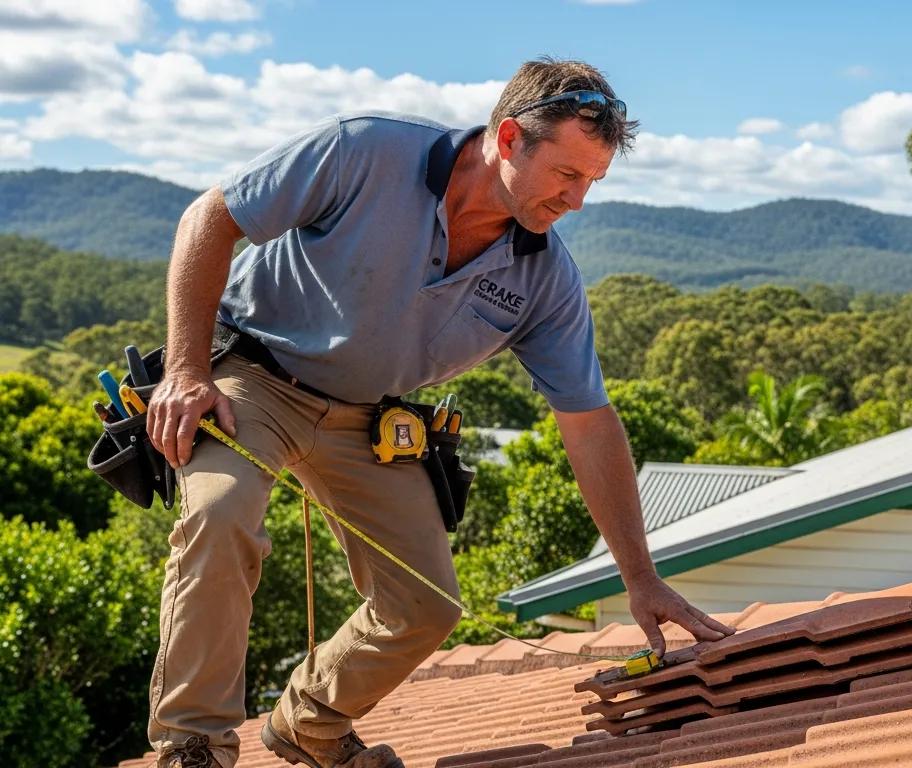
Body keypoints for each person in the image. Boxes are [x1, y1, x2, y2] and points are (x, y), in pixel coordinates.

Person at [143, 57, 733, 768]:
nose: (576, 202)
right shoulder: (363, 150)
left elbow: (589, 422)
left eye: (592, 183)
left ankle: (310, 721)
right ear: (509, 139)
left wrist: (639, 575)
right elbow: (209, 219)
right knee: (221, 514)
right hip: (255, 377)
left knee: (427, 603)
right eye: (567, 176)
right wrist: (184, 371)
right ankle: (191, 745)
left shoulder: (544, 278)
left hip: (368, 416)